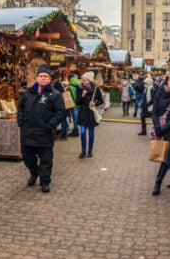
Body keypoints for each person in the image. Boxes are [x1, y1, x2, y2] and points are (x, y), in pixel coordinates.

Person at [16, 64, 66, 193]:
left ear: (49, 79)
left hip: (45, 133)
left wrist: (51, 125)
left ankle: (45, 182)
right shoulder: (28, 92)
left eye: (45, 76)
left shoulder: (54, 94)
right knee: (28, 158)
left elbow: (60, 112)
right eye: (40, 76)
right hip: (28, 132)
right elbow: (20, 107)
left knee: (46, 159)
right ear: (36, 78)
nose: (43, 78)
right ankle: (34, 172)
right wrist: (20, 120)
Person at [76, 71, 106, 158]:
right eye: (82, 80)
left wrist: (95, 102)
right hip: (82, 113)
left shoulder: (96, 90)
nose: (83, 82)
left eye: (85, 80)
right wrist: (82, 95)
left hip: (91, 114)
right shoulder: (80, 89)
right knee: (82, 132)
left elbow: (100, 100)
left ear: (89, 81)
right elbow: (77, 102)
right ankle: (83, 151)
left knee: (91, 133)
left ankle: (90, 151)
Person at [67, 71, 81, 135]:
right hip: (79, 103)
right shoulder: (79, 83)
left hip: (73, 104)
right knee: (77, 118)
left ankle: (76, 131)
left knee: (75, 118)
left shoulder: (70, 86)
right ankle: (76, 129)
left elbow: (69, 97)